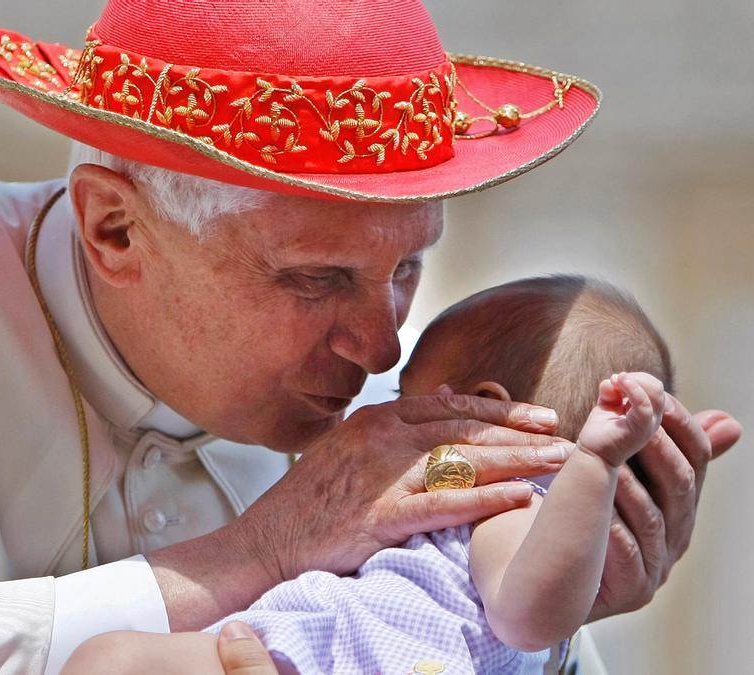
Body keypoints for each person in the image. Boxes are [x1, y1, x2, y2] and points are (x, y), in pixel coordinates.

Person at [0, 3, 739, 674]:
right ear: (114, 226)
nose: (384, 346)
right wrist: (253, 554)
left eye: (408, 269)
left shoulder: (355, 422)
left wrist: (549, 600)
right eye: (317, 277)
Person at [63, 275, 683, 674]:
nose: (381, 360)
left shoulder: (506, 501)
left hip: (361, 654)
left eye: (405, 392)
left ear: (479, 406)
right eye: (316, 276)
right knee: (105, 659)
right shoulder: (452, 486)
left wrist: (596, 468)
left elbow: (528, 620)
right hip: (314, 641)